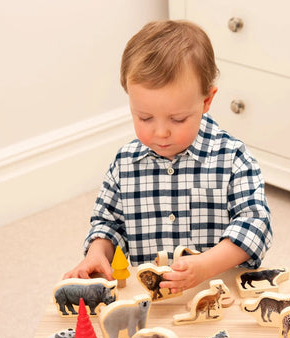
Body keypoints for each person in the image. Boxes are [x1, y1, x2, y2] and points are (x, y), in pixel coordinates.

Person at [64, 20, 272, 293]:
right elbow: (108, 223)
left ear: (207, 101)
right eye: (145, 117)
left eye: (178, 118)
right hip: (151, 301)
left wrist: (205, 265)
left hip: (219, 297)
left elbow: (256, 224)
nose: (160, 132)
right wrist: (97, 253)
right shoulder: (125, 163)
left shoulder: (232, 158)